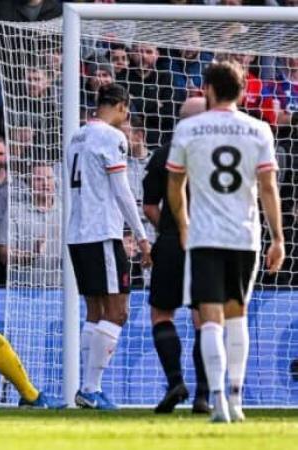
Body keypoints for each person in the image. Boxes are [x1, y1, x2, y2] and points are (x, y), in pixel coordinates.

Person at [166, 61, 284, 423]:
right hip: (244, 236)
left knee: (210, 318)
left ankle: (217, 399)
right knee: (238, 315)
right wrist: (278, 237)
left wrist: (184, 226)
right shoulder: (259, 129)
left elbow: (175, 185)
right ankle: (235, 398)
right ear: (243, 92)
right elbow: (267, 187)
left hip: (205, 236)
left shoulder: (189, 128)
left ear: (207, 90)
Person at [66, 83, 151, 411]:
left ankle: (87, 389)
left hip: (78, 233)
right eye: (127, 111)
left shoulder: (77, 136)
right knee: (118, 312)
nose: (126, 118)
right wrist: (142, 237)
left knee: (96, 312)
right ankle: (90, 387)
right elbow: (122, 191)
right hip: (102, 232)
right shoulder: (112, 137)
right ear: (120, 106)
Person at [143, 96, 210, 415]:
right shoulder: (218, 152)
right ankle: (203, 395)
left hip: (171, 241)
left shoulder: (162, 154)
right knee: (205, 320)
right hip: (208, 242)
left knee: (161, 314)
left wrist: (169, 227)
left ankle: (175, 382)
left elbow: (149, 205)